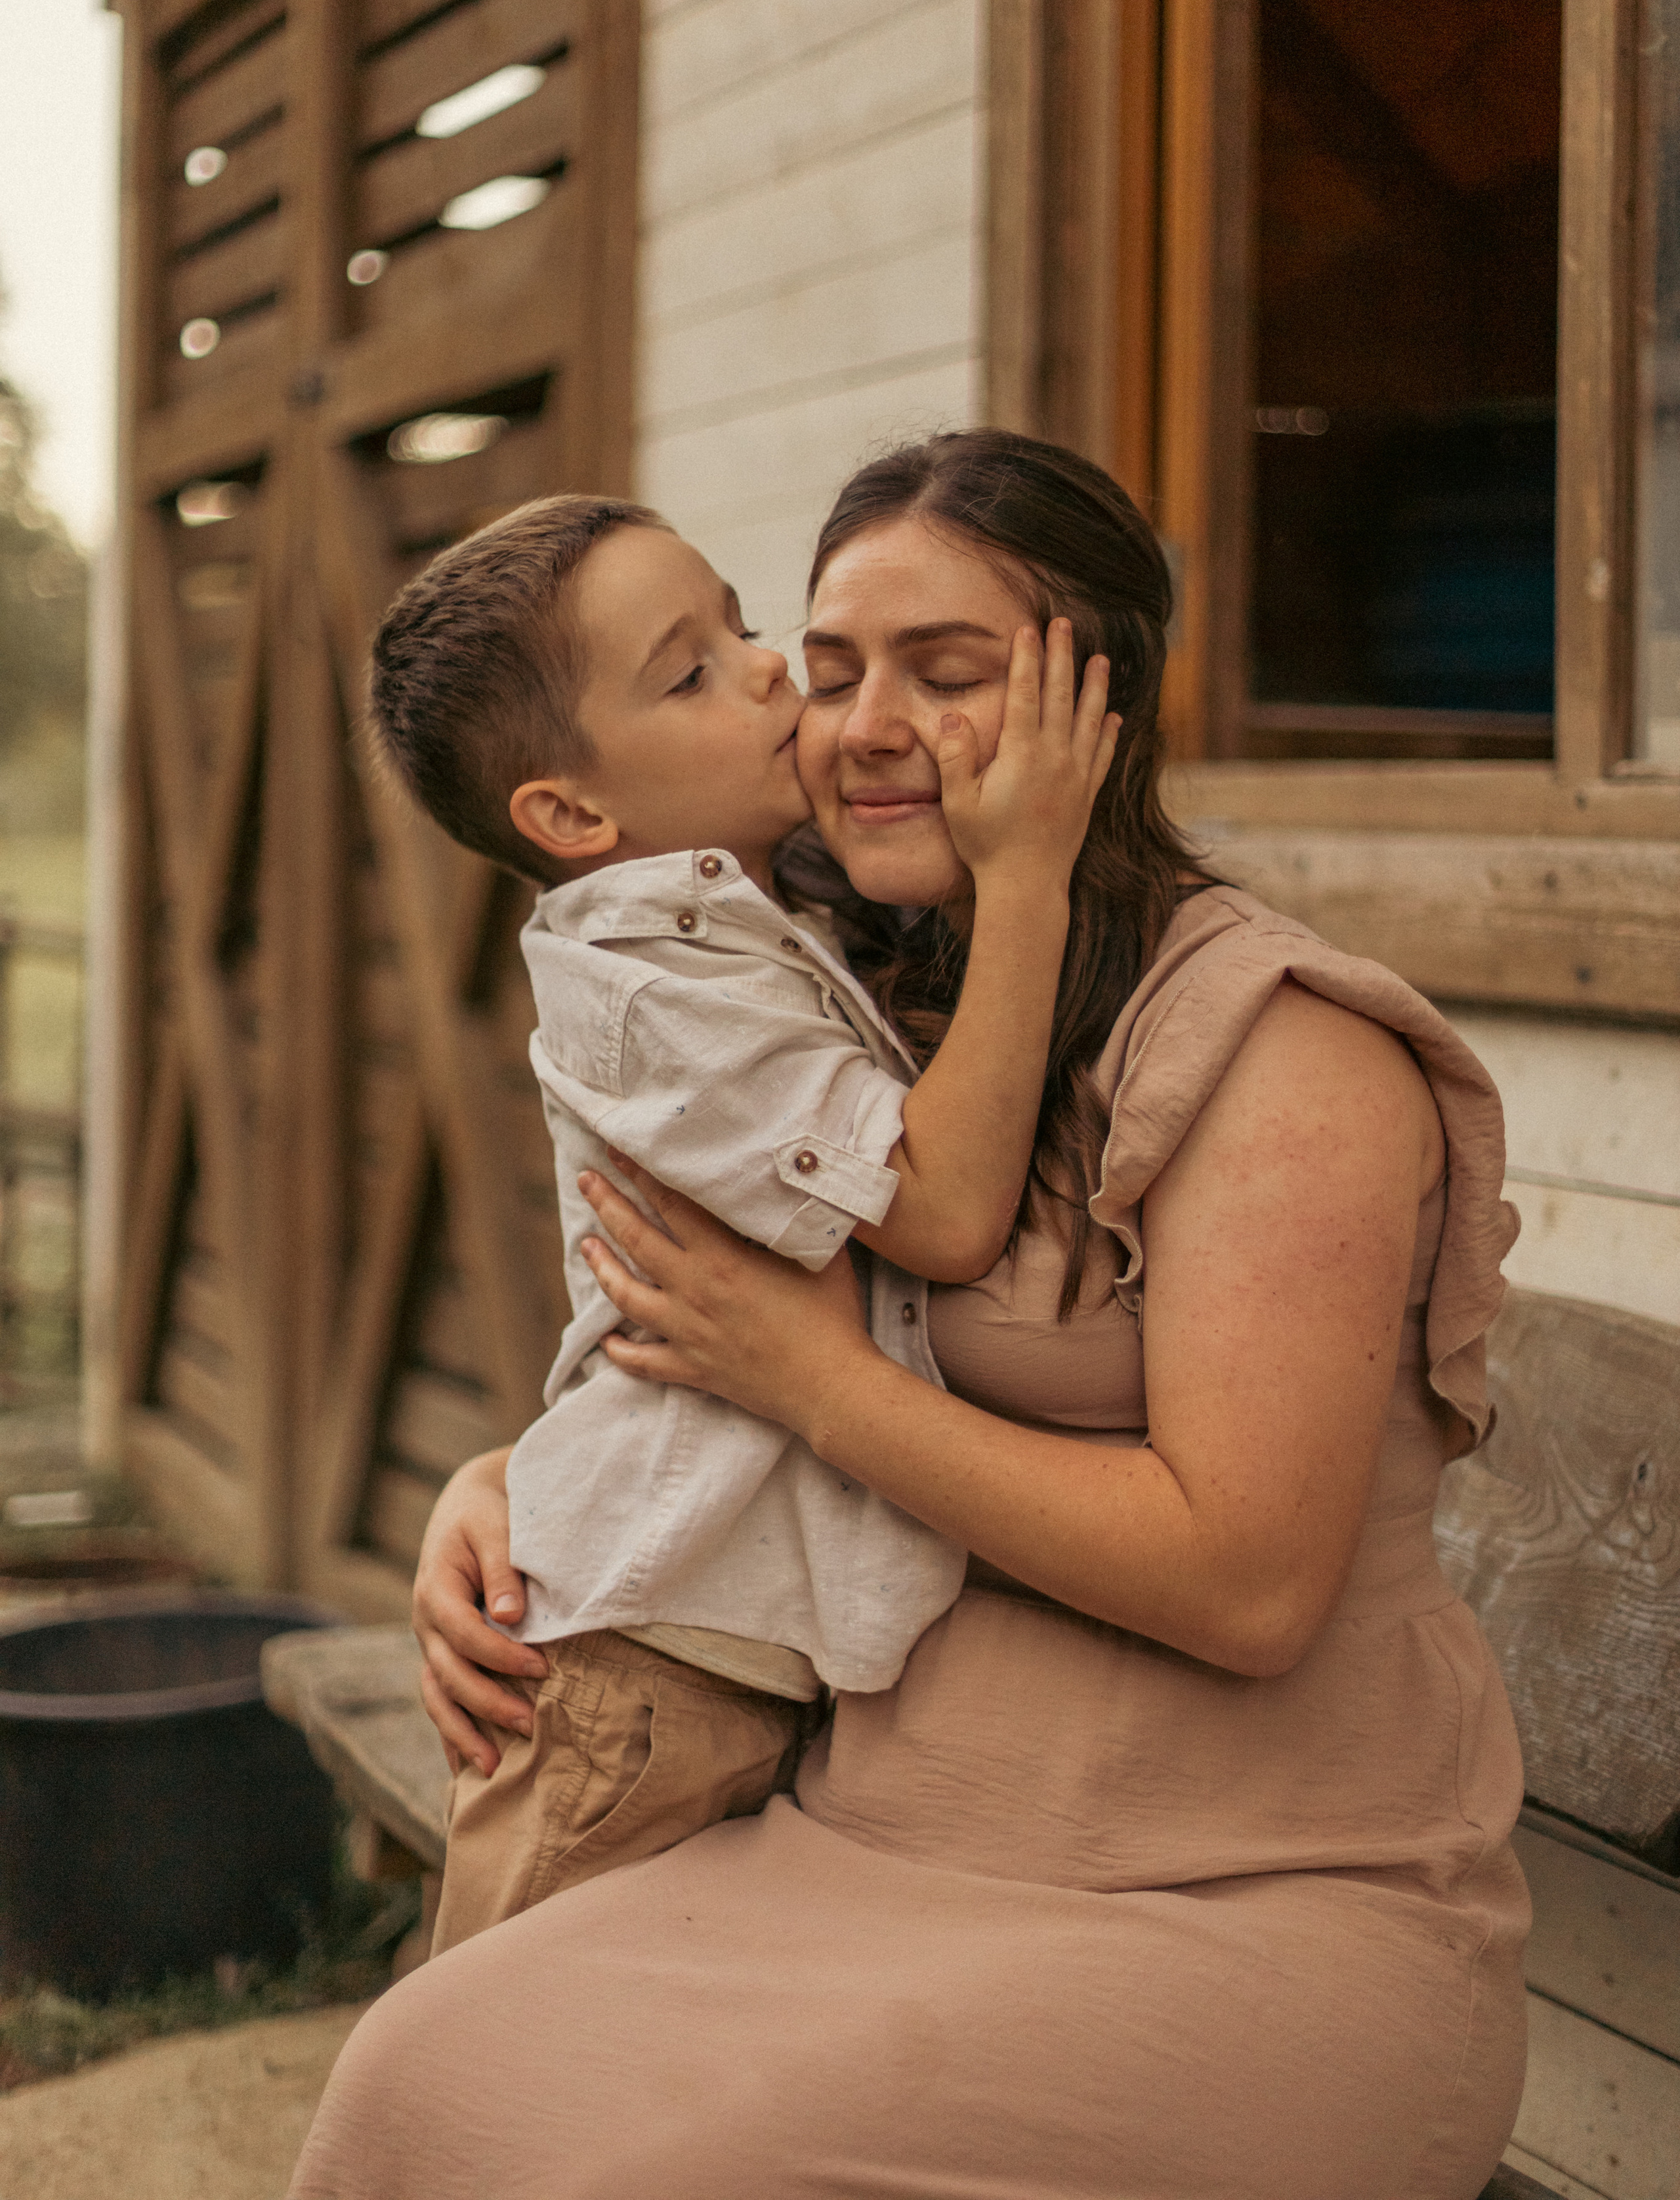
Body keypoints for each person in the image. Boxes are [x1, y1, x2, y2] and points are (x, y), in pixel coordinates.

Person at [292, 431, 1530, 2200]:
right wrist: (504, 1485)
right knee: (418, 2081)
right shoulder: (852, 992)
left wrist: (812, 1389)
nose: (854, 720)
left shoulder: (1285, 1055)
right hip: (876, 1838)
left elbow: (1249, 1581)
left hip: (1242, 1895)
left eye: (949, 677)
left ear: (1094, 714)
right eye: (833, 662)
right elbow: (727, 1328)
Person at [366, 493, 1120, 1953]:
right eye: (689, 670)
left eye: (736, 621)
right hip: (630, 1675)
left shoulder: (761, 924)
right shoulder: (654, 988)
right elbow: (945, 1211)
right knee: (508, 2085)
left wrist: (496, 1475)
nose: (769, 670)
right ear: (575, 816)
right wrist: (1028, 874)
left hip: (713, 1649)